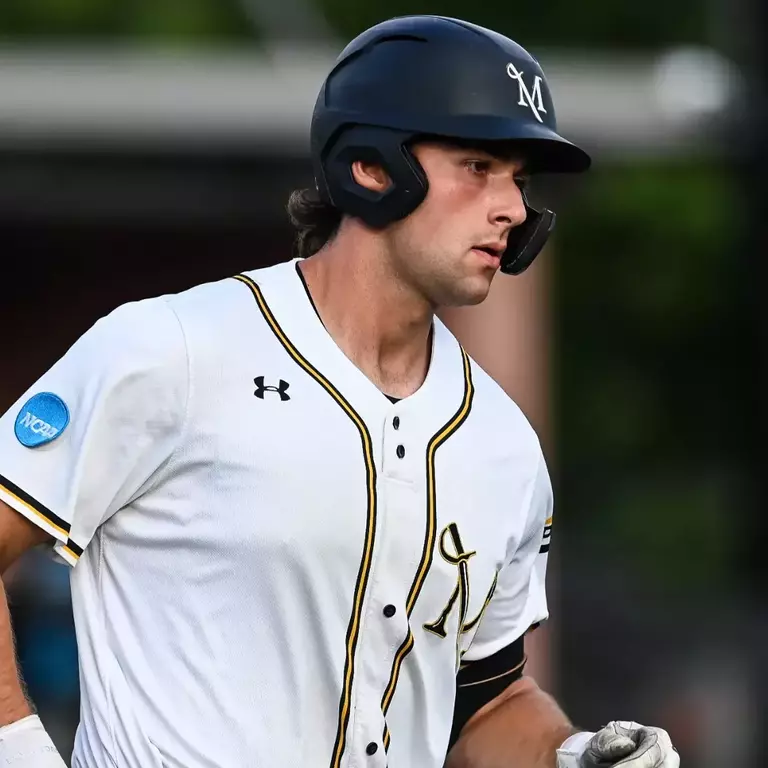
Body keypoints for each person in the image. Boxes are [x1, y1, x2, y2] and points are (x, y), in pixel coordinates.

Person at [0, 15, 679, 768]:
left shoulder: (503, 444)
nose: (514, 208)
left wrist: (573, 753)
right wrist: (19, 745)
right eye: (479, 165)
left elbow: (486, 698)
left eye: (520, 180)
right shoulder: (176, 351)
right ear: (371, 165)